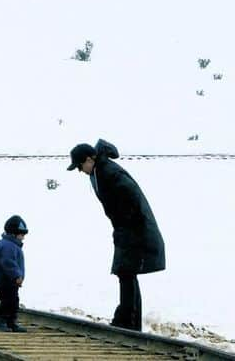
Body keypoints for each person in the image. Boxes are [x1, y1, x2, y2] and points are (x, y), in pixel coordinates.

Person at [68, 139, 165, 331]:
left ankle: (128, 322)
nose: (80, 171)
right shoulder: (100, 171)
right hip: (128, 230)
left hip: (135, 230)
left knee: (126, 272)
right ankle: (127, 321)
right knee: (125, 272)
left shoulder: (109, 172)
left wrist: (124, 224)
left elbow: (131, 199)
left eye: (80, 166)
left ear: (89, 159)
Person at [0, 215, 28, 332]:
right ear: (13, 234)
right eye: (21, 235)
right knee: (7, 301)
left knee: (14, 301)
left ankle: (11, 322)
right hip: (4, 280)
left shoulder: (12, 245)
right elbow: (8, 263)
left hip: (10, 281)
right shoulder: (7, 246)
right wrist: (16, 275)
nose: (23, 238)